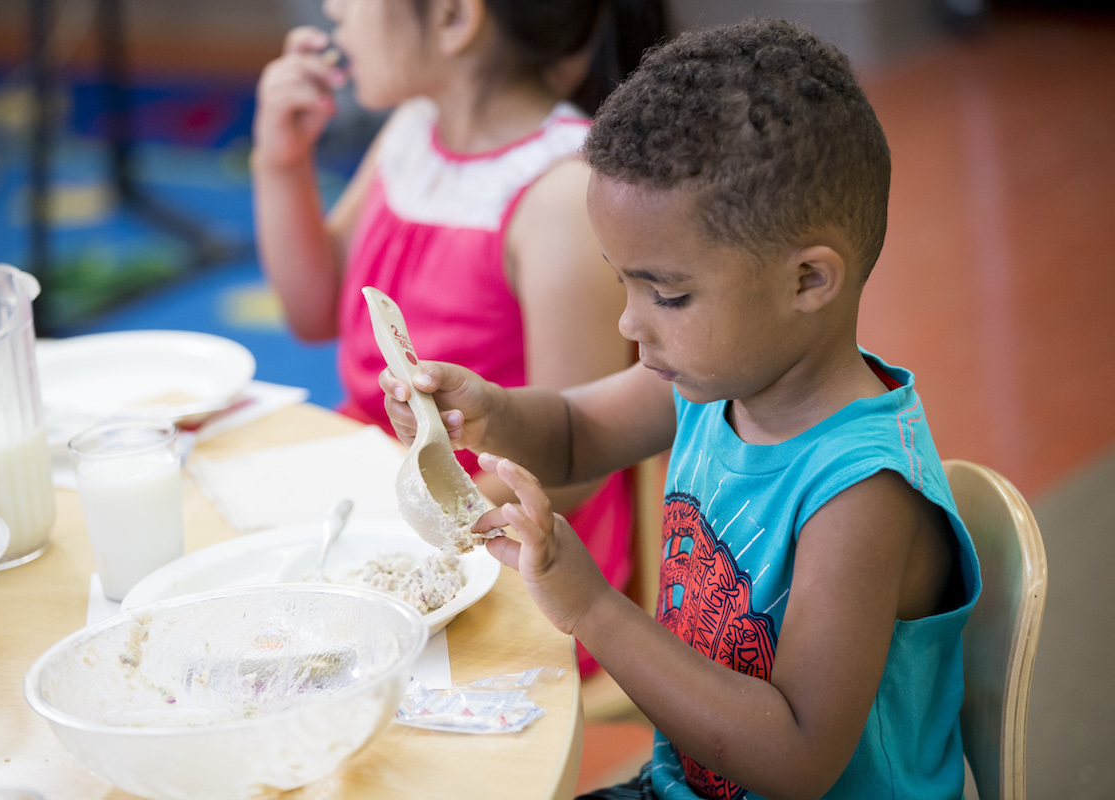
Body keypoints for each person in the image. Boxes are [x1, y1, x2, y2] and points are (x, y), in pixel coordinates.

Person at [380, 18, 982, 800]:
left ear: (808, 281)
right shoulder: (715, 381)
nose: (630, 323)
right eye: (623, 282)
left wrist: (592, 606)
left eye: (667, 293)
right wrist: (485, 411)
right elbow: (573, 433)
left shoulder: (860, 491)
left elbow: (797, 756)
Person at [251, 0, 669, 676]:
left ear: (451, 18)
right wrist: (282, 159)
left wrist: (402, 525)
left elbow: (568, 465)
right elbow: (312, 311)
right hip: (373, 498)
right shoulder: (412, 135)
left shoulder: (562, 194)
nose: (333, 10)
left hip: (501, 545)